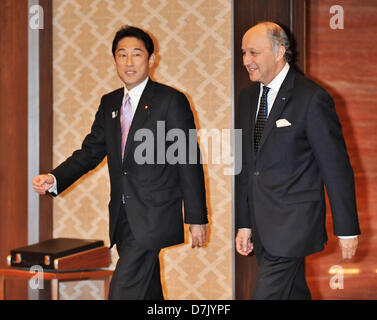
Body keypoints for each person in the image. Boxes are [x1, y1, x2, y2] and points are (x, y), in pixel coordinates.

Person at [33, 26, 208, 300]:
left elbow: (187, 160)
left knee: (122, 292)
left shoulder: (170, 101)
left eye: (136, 54)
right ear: (114, 60)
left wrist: (196, 217)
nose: (129, 62)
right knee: (147, 292)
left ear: (151, 60)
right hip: (122, 217)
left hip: (153, 216)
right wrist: (55, 178)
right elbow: (90, 152)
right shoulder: (109, 103)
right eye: (121, 54)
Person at [235, 22, 360, 300]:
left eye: (254, 53)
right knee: (293, 294)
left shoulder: (311, 98)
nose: (246, 61)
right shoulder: (246, 98)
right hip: (261, 223)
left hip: (294, 224)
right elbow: (245, 166)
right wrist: (244, 223)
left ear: (280, 51)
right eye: (244, 53)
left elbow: (335, 167)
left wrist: (347, 228)